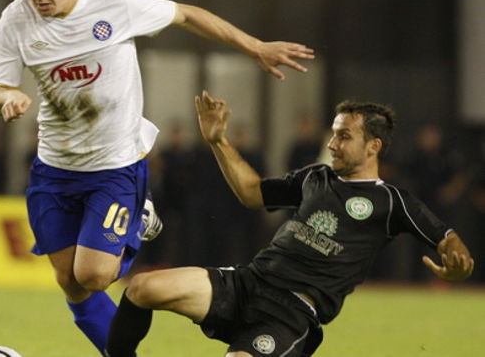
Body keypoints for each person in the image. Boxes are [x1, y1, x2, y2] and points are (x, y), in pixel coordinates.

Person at [0, 0, 314, 355]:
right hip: (54, 167)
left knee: (95, 276)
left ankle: (138, 217)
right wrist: (7, 99)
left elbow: (186, 15)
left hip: (115, 164)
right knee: (69, 281)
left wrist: (254, 46)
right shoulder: (15, 21)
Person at [105, 91, 475, 357]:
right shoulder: (316, 177)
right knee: (142, 288)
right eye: (333, 133)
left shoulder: (392, 201)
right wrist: (218, 141)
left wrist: (457, 265)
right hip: (247, 283)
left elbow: (448, 239)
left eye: (344, 136)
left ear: (373, 146)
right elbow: (252, 192)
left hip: (291, 314)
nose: (332, 143)